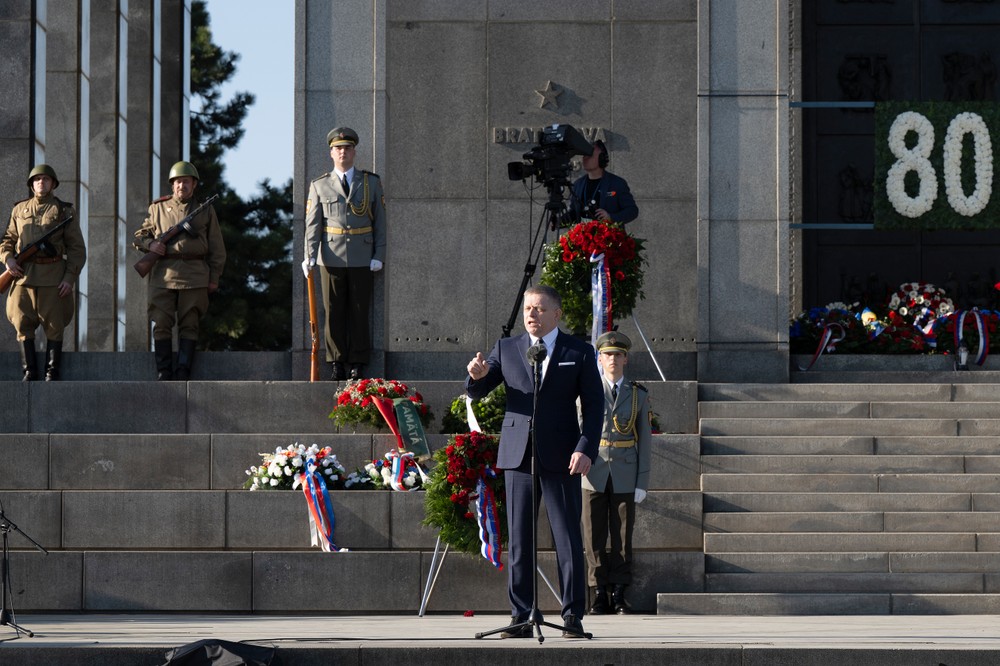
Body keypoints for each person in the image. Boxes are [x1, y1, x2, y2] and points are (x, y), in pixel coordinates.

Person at [465, 285, 604, 639]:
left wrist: (586, 447)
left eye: (540, 309)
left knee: (568, 537)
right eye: (528, 308)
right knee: (521, 540)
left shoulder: (580, 351)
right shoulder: (507, 348)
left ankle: (572, 616)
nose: (531, 315)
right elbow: (481, 388)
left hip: (563, 455)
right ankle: (521, 614)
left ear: (556, 314)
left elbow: (594, 406)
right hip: (518, 455)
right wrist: (477, 377)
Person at [303, 126, 387, 381]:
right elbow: (313, 224)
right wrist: (309, 255)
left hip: (363, 256)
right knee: (333, 311)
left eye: (347, 148)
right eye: (338, 148)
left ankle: (358, 362)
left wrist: (379, 254)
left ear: (354, 152)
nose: (343, 152)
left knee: (360, 312)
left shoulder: (370, 182)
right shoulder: (319, 185)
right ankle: (336, 361)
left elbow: (381, 222)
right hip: (331, 256)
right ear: (331, 153)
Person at [133, 160, 226, 380]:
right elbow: (139, 236)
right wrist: (151, 245)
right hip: (163, 275)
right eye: (176, 182)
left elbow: (217, 247)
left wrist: (214, 277)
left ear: (194, 185)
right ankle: (164, 371)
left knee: (190, 324)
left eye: (185, 182)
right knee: (161, 323)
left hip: (195, 274)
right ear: (171, 185)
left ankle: (183, 370)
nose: (180, 186)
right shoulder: (157, 208)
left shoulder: (205, 209)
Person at [582, 331, 651, 615]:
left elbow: (645, 439)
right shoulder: (587, 390)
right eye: (607, 354)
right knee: (593, 536)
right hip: (592, 470)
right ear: (599, 358)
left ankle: (620, 592)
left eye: (618, 354)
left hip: (625, 471)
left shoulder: (638, 395)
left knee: (623, 536)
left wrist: (642, 481)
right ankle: (599, 593)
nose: (613, 359)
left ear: (626, 358)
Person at [1, 164, 86, 381]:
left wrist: (69, 278)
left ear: (53, 184)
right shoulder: (19, 209)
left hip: (53, 276)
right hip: (23, 275)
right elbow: (8, 240)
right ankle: (29, 371)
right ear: (31, 184)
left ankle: (52, 371)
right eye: (37, 179)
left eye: (46, 179)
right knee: (21, 321)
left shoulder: (64, 211)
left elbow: (77, 249)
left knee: (54, 324)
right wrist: (8, 259)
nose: (41, 183)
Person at [566, 139, 638, 225]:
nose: (585, 158)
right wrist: (558, 220)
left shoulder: (617, 183)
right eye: (584, 155)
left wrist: (611, 217)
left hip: (609, 237)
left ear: (602, 158)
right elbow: (573, 213)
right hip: (583, 237)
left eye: (589, 155)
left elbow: (632, 211)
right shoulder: (578, 184)